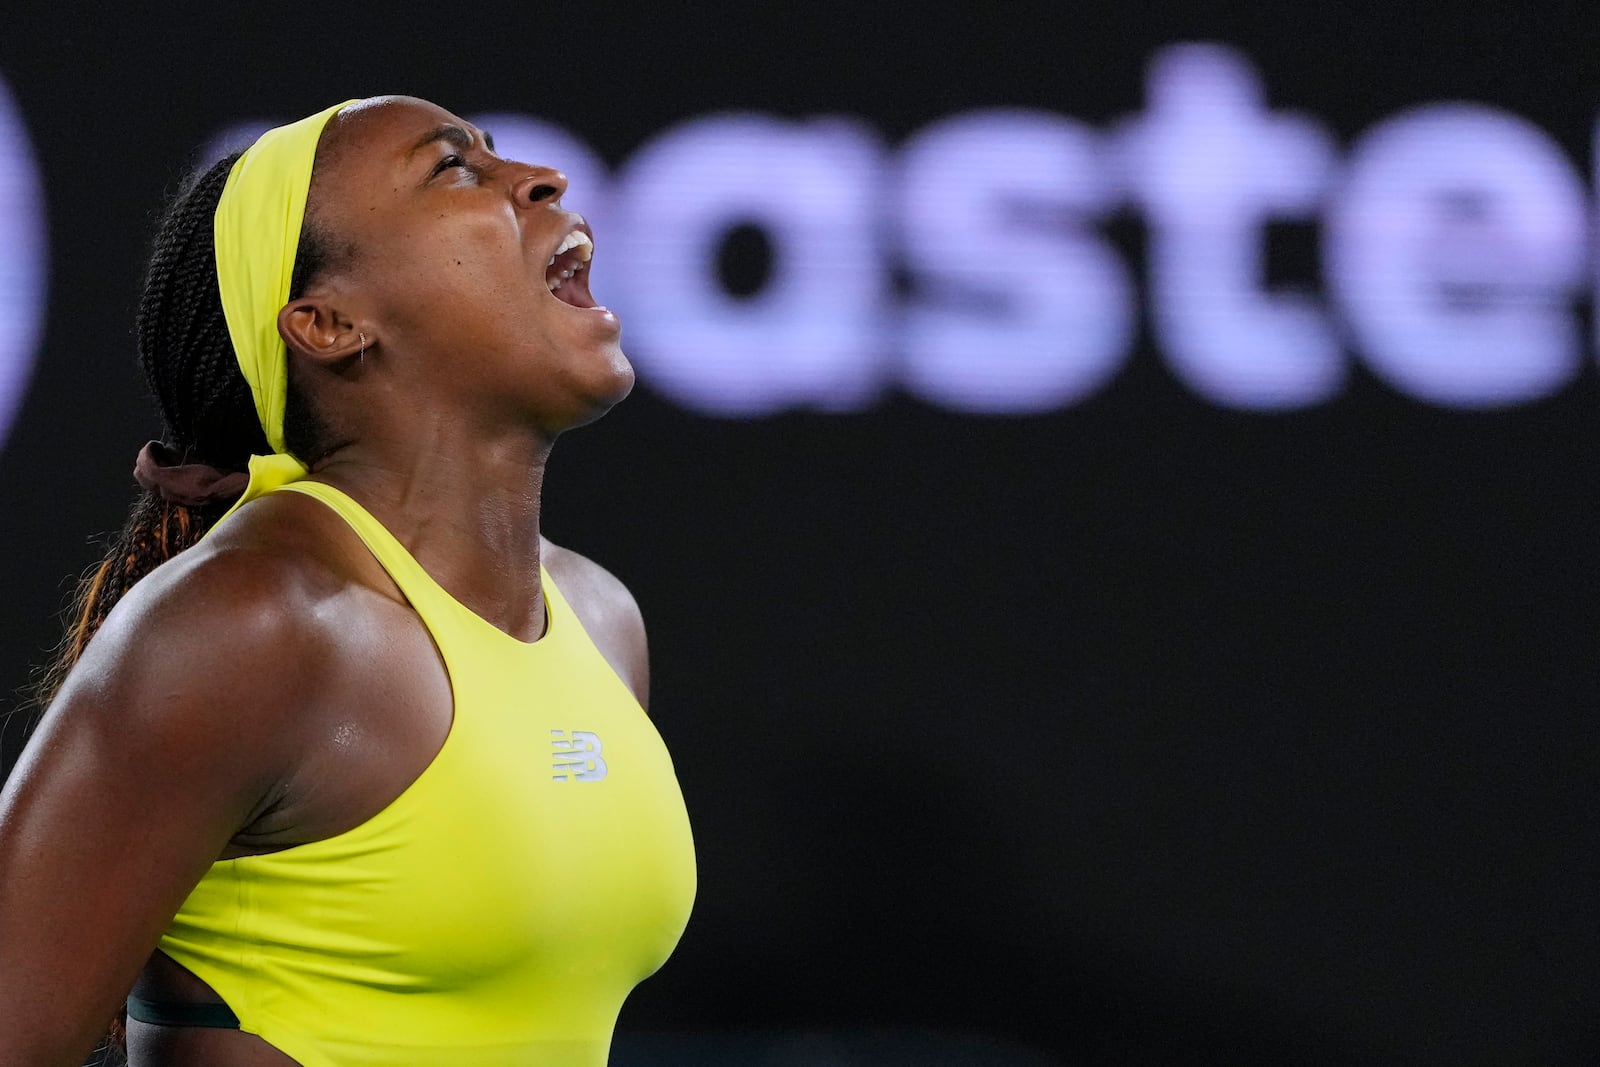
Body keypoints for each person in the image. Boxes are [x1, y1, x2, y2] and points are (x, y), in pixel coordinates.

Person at [0, 96, 696, 1067]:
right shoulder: (250, 626)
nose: (542, 178)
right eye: (452, 168)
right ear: (328, 323)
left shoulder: (600, 617)